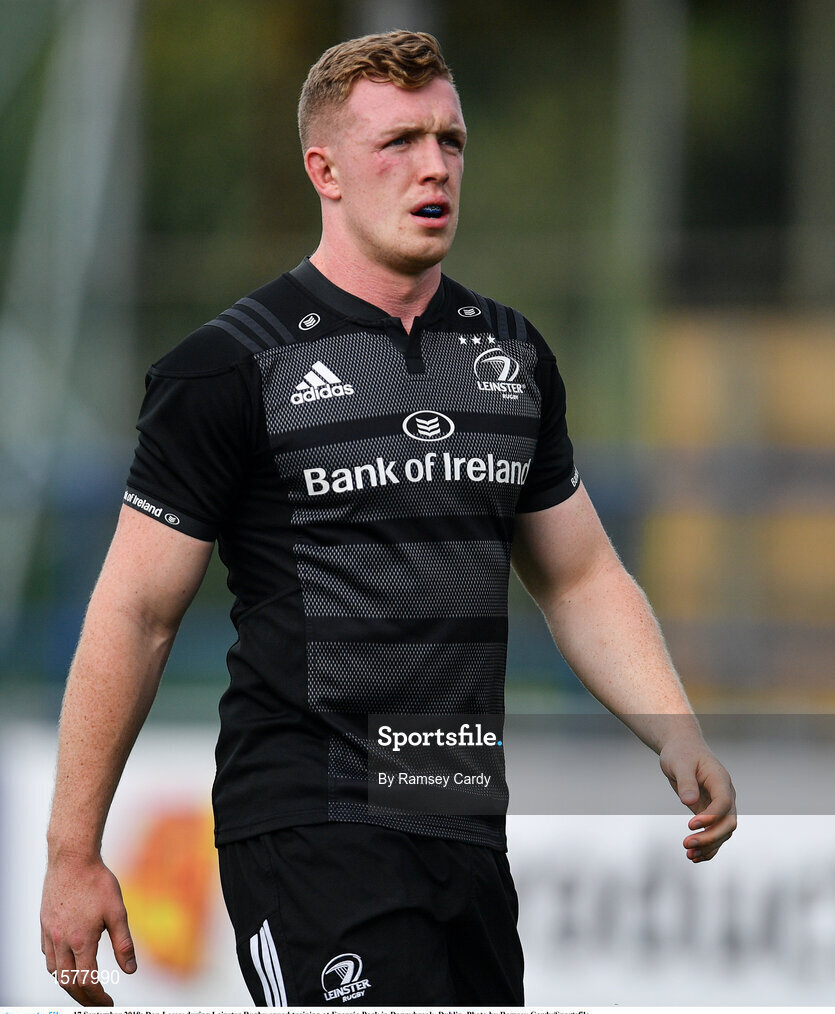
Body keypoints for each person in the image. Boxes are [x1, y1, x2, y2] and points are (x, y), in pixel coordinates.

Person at [40, 30, 736, 1008]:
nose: (433, 166)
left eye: (449, 141)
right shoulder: (227, 368)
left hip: (458, 816)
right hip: (308, 824)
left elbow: (578, 578)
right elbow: (135, 614)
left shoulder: (511, 356)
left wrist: (674, 730)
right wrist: (74, 850)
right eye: (398, 142)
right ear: (323, 170)